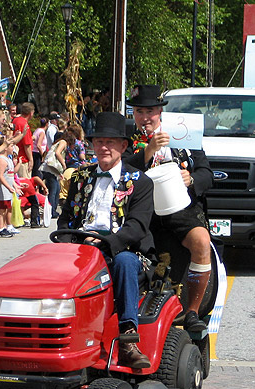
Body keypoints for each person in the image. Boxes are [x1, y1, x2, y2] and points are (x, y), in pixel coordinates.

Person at [57, 111, 154, 368]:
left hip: (124, 249)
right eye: (99, 141)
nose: (103, 147)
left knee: (124, 262)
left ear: (123, 146)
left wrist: (109, 243)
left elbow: (137, 226)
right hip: (81, 248)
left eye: (110, 142)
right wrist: (71, 244)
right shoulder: (79, 177)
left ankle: (128, 340)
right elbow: (65, 220)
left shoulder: (140, 181)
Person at [122, 85, 214, 332]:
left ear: (160, 112)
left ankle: (193, 311)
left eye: (149, 111)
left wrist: (191, 179)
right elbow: (119, 171)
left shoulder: (183, 135)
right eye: (139, 112)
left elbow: (207, 172)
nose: (144, 117)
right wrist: (148, 151)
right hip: (144, 211)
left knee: (202, 241)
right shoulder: (127, 140)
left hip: (181, 208)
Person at [39, 133, 67, 219]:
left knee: (56, 189)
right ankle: (51, 211)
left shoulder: (54, 144)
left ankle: (53, 210)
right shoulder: (63, 142)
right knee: (53, 190)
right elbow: (58, 153)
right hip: (50, 169)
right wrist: (63, 164)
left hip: (49, 168)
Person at [11, 102, 34, 177]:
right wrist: (31, 159)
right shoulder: (24, 124)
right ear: (31, 113)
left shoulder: (16, 120)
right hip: (23, 159)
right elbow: (26, 144)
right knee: (25, 183)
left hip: (15, 157)